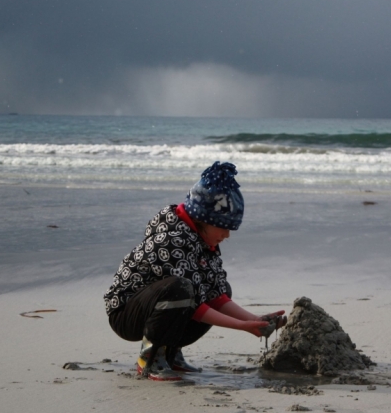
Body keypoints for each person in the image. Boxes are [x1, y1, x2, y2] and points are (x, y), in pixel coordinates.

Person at [104, 161, 286, 381]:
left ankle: (170, 354)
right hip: (127, 313)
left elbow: (215, 296)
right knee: (179, 290)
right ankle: (150, 358)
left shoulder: (203, 240)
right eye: (224, 227)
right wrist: (242, 326)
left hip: (162, 307)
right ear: (204, 219)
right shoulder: (171, 239)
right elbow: (194, 306)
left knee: (220, 288)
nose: (227, 235)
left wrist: (255, 320)